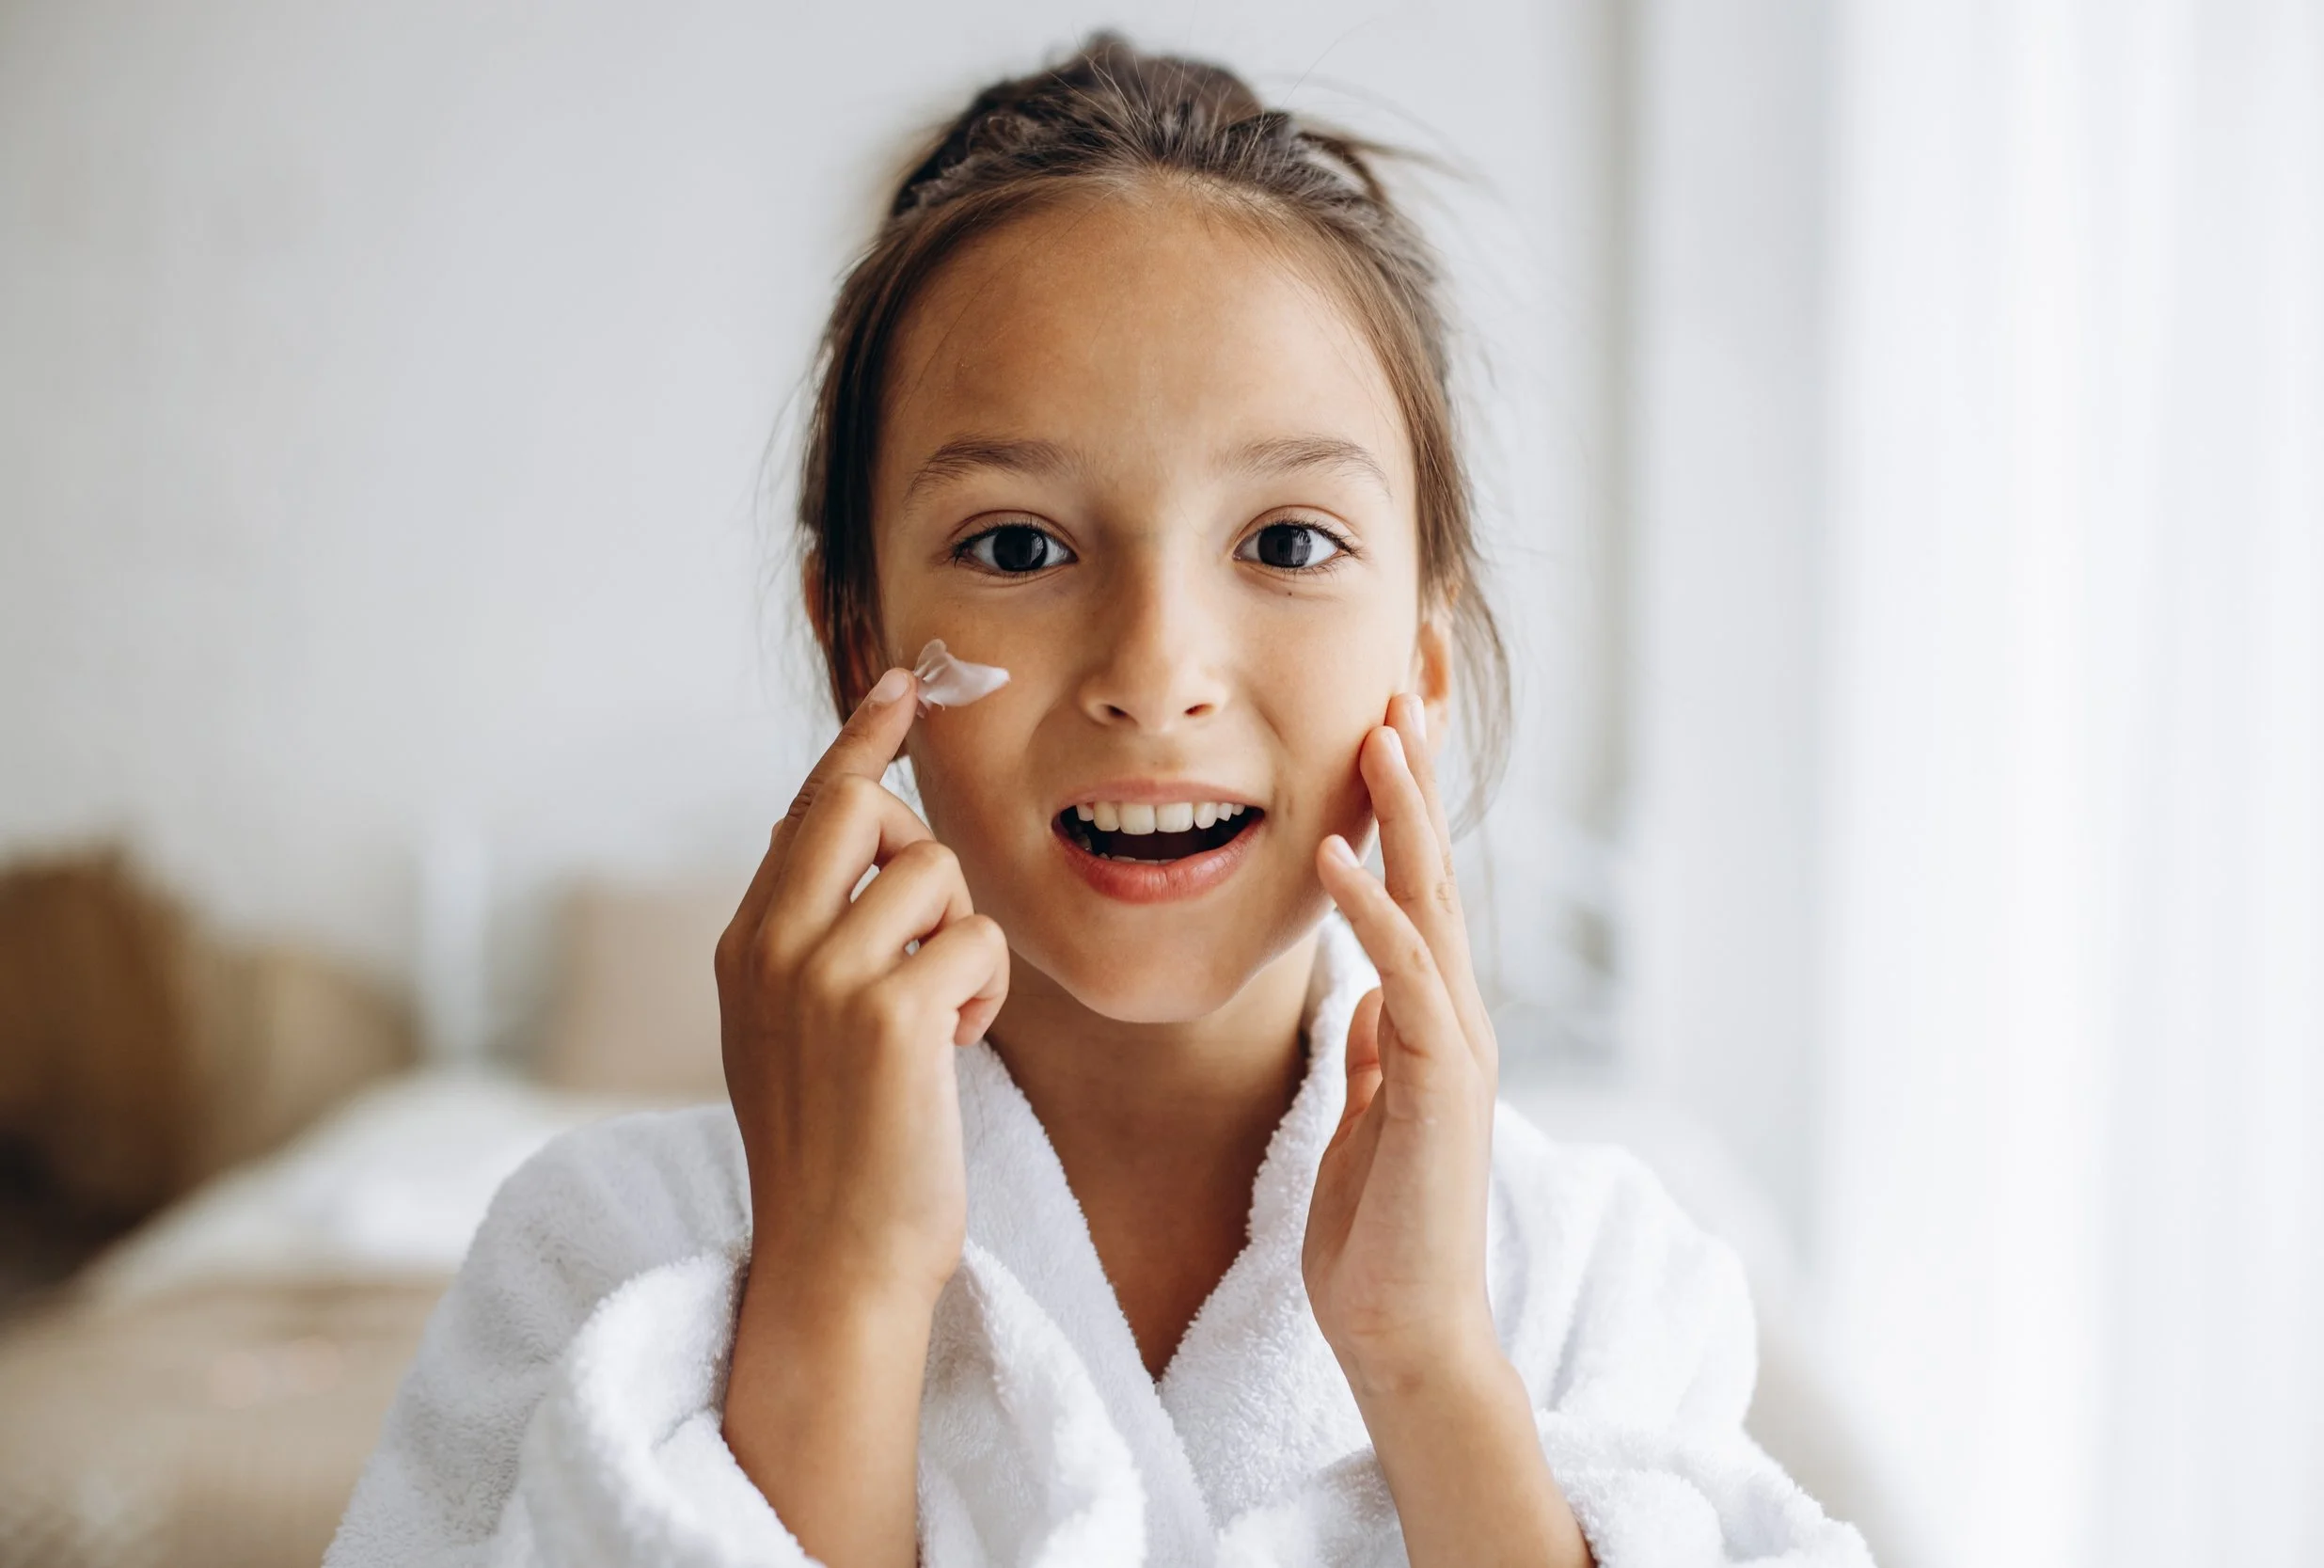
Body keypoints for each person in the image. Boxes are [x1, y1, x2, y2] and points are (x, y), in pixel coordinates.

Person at [329, 35, 1870, 1568]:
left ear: (1423, 650)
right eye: (1017, 547)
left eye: (1286, 543)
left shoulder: (1604, 1282)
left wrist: (1433, 1369)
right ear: (858, 638)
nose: (1154, 673)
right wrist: (837, 1294)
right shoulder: (605, 1256)